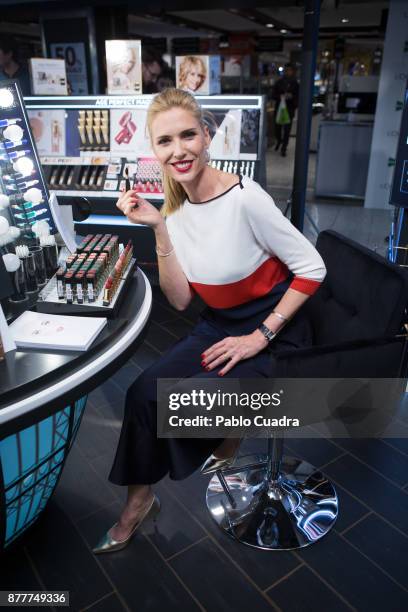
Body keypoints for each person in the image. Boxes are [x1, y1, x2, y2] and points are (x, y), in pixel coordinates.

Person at [93, 88, 326, 554]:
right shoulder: (174, 204)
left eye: (187, 135)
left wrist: (260, 336)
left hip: (275, 330)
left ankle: (228, 432)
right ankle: (138, 503)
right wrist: (159, 228)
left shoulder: (246, 198)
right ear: (154, 150)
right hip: (219, 323)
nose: (178, 150)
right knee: (143, 394)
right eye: (165, 141)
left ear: (205, 136)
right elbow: (180, 301)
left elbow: (313, 268)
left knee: (187, 400)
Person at [273, 63, 299, 157]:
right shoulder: (279, 82)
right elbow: (273, 94)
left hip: (289, 109)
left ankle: (284, 148)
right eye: (286, 70)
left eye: (290, 70)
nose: (288, 72)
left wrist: (291, 98)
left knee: (287, 130)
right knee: (277, 128)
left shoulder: (295, 84)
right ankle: (279, 141)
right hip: (279, 108)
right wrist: (280, 97)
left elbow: (297, 97)